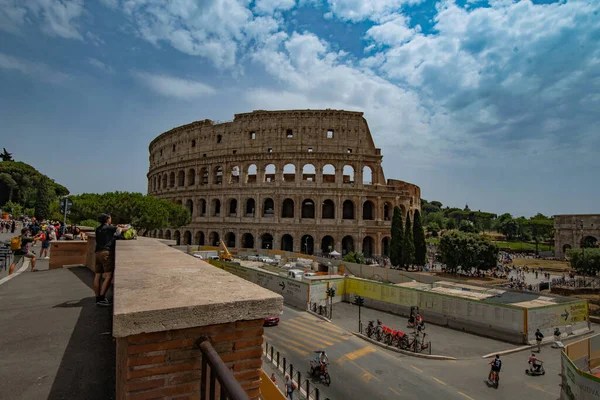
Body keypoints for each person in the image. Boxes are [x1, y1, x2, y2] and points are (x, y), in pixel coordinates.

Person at [94, 214, 128, 307]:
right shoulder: (109, 228)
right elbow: (122, 230)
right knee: (109, 275)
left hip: (97, 252)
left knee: (97, 275)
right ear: (108, 219)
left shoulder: (98, 228)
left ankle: (97, 298)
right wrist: (125, 227)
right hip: (106, 253)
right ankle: (101, 297)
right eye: (110, 218)